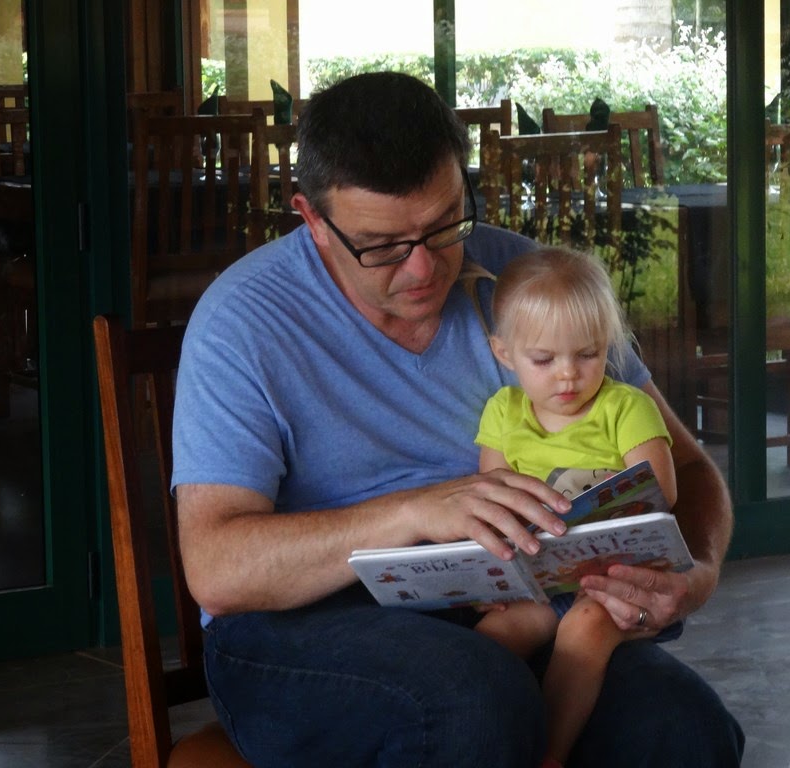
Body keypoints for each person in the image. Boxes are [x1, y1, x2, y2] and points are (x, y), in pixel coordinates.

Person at [171, 71, 744, 767]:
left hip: (509, 607)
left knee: (684, 729)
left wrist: (697, 573)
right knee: (473, 702)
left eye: (445, 225)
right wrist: (415, 512)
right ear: (312, 220)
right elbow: (218, 568)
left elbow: (688, 468)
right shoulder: (243, 322)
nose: (423, 268)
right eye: (383, 244)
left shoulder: (529, 284)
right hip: (299, 626)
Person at [473, 246, 681, 768]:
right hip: (543, 576)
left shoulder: (625, 407)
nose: (568, 375)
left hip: (617, 576)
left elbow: (661, 490)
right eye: (544, 360)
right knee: (493, 639)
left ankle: (550, 755)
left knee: (584, 629)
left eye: (587, 354)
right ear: (504, 353)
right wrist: (492, 579)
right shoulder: (503, 412)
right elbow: (491, 499)